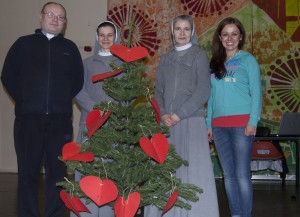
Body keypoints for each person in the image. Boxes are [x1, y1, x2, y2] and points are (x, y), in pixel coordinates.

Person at [1, 2, 84, 217]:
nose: (55, 19)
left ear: (65, 23)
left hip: (60, 123)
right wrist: (25, 101)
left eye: (61, 17)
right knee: (27, 174)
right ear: (41, 17)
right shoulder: (23, 44)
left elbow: (77, 81)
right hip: (28, 121)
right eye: (51, 14)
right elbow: (8, 75)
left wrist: (60, 101)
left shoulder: (70, 48)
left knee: (57, 175)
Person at [144, 14, 219, 217]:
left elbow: (203, 89)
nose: (182, 33)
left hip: (191, 121)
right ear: (172, 31)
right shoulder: (166, 58)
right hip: (166, 124)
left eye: (186, 29)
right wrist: (165, 114)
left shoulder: (199, 55)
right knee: (166, 172)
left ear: (192, 31)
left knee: (193, 173)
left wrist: (179, 114)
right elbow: (158, 90)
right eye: (178, 29)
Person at [206, 17, 262, 217]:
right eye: (225, 34)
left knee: (242, 175)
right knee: (228, 176)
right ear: (220, 38)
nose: (230, 38)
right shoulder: (214, 63)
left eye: (234, 34)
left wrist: (252, 121)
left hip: (241, 125)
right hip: (219, 127)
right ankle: (235, 214)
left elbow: (256, 93)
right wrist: (209, 124)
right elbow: (211, 97)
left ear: (240, 37)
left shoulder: (248, 60)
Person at [70, 20, 123, 217]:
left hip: (114, 126)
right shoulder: (86, 64)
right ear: (97, 37)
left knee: (110, 172)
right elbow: (78, 89)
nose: (106, 38)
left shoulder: (124, 65)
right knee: (88, 170)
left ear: (116, 37)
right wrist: (97, 109)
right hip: (90, 123)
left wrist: (114, 110)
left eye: (110, 35)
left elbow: (130, 93)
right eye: (102, 35)